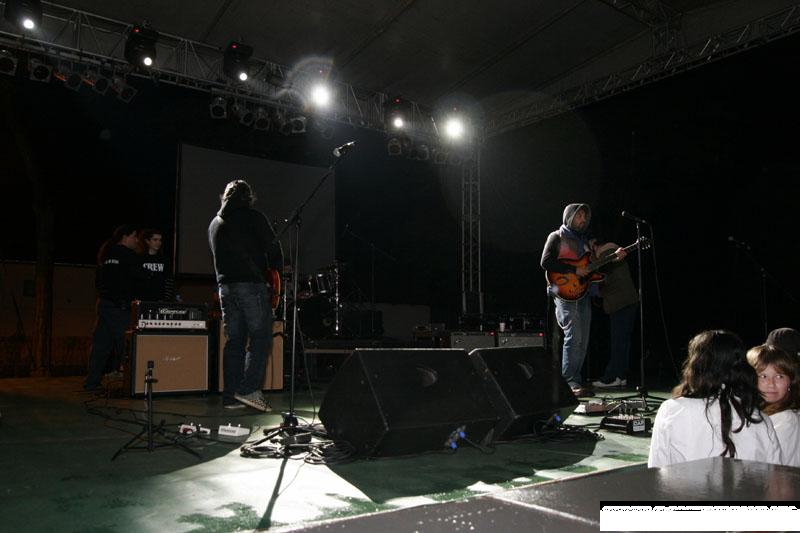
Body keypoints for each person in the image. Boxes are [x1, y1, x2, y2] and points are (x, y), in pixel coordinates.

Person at [648, 330, 783, 468]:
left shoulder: (672, 410)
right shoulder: (759, 419)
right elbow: (776, 475)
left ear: (695, 365)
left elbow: (656, 470)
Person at [209, 179, 282, 411]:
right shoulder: (254, 217)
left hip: (225, 288)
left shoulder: (215, 223)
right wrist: (277, 271)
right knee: (261, 337)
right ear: (248, 197)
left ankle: (230, 397)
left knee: (235, 342)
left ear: (225, 197)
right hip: (250, 285)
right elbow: (273, 249)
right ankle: (249, 390)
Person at [541, 203, 625, 396]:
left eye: (585, 217)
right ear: (569, 216)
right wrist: (574, 270)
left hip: (583, 294)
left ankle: (575, 381)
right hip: (564, 293)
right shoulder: (556, 236)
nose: (583, 220)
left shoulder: (586, 242)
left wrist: (614, 258)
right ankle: (568, 381)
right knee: (574, 337)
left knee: (583, 340)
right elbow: (545, 262)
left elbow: (594, 270)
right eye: (579, 216)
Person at [84, 224, 151, 391]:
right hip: (120, 307)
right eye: (135, 237)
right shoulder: (128, 256)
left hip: (105, 304)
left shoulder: (106, 253)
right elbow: (141, 279)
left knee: (101, 346)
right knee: (126, 346)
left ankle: (91, 382)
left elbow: (99, 280)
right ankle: (133, 385)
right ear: (125, 236)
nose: (137, 240)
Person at [592, 242, 638, 388]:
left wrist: (593, 290)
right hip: (629, 301)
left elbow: (605, 281)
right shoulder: (614, 251)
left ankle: (612, 377)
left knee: (618, 342)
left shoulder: (605, 254)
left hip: (620, 303)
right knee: (624, 341)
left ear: (594, 245)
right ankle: (621, 376)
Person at [746, 344, 800, 467]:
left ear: (790, 382)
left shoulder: (787, 419)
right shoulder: (754, 412)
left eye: (779, 376)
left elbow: (767, 466)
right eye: (763, 376)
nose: (771, 384)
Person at [138, 228, 175, 301]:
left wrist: (167, 298)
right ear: (147, 241)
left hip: (160, 300)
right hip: (142, 300)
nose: (158, 242)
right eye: (155, 240)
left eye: (160, 240)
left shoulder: (164, 260)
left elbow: (169, 280)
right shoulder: (139, 259)